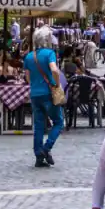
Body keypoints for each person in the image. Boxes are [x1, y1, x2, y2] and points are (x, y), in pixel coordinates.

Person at [23, 26, 64, 167]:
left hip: (35, 94)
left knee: (39, 125)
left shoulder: (29, 56)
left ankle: (38, 155)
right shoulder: (49, 53)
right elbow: (54, 70)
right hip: (48, 93)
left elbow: (27, 77)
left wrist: (35, 84)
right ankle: (47, 148)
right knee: (58, 122)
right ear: (46, 40)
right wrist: (57, 83)